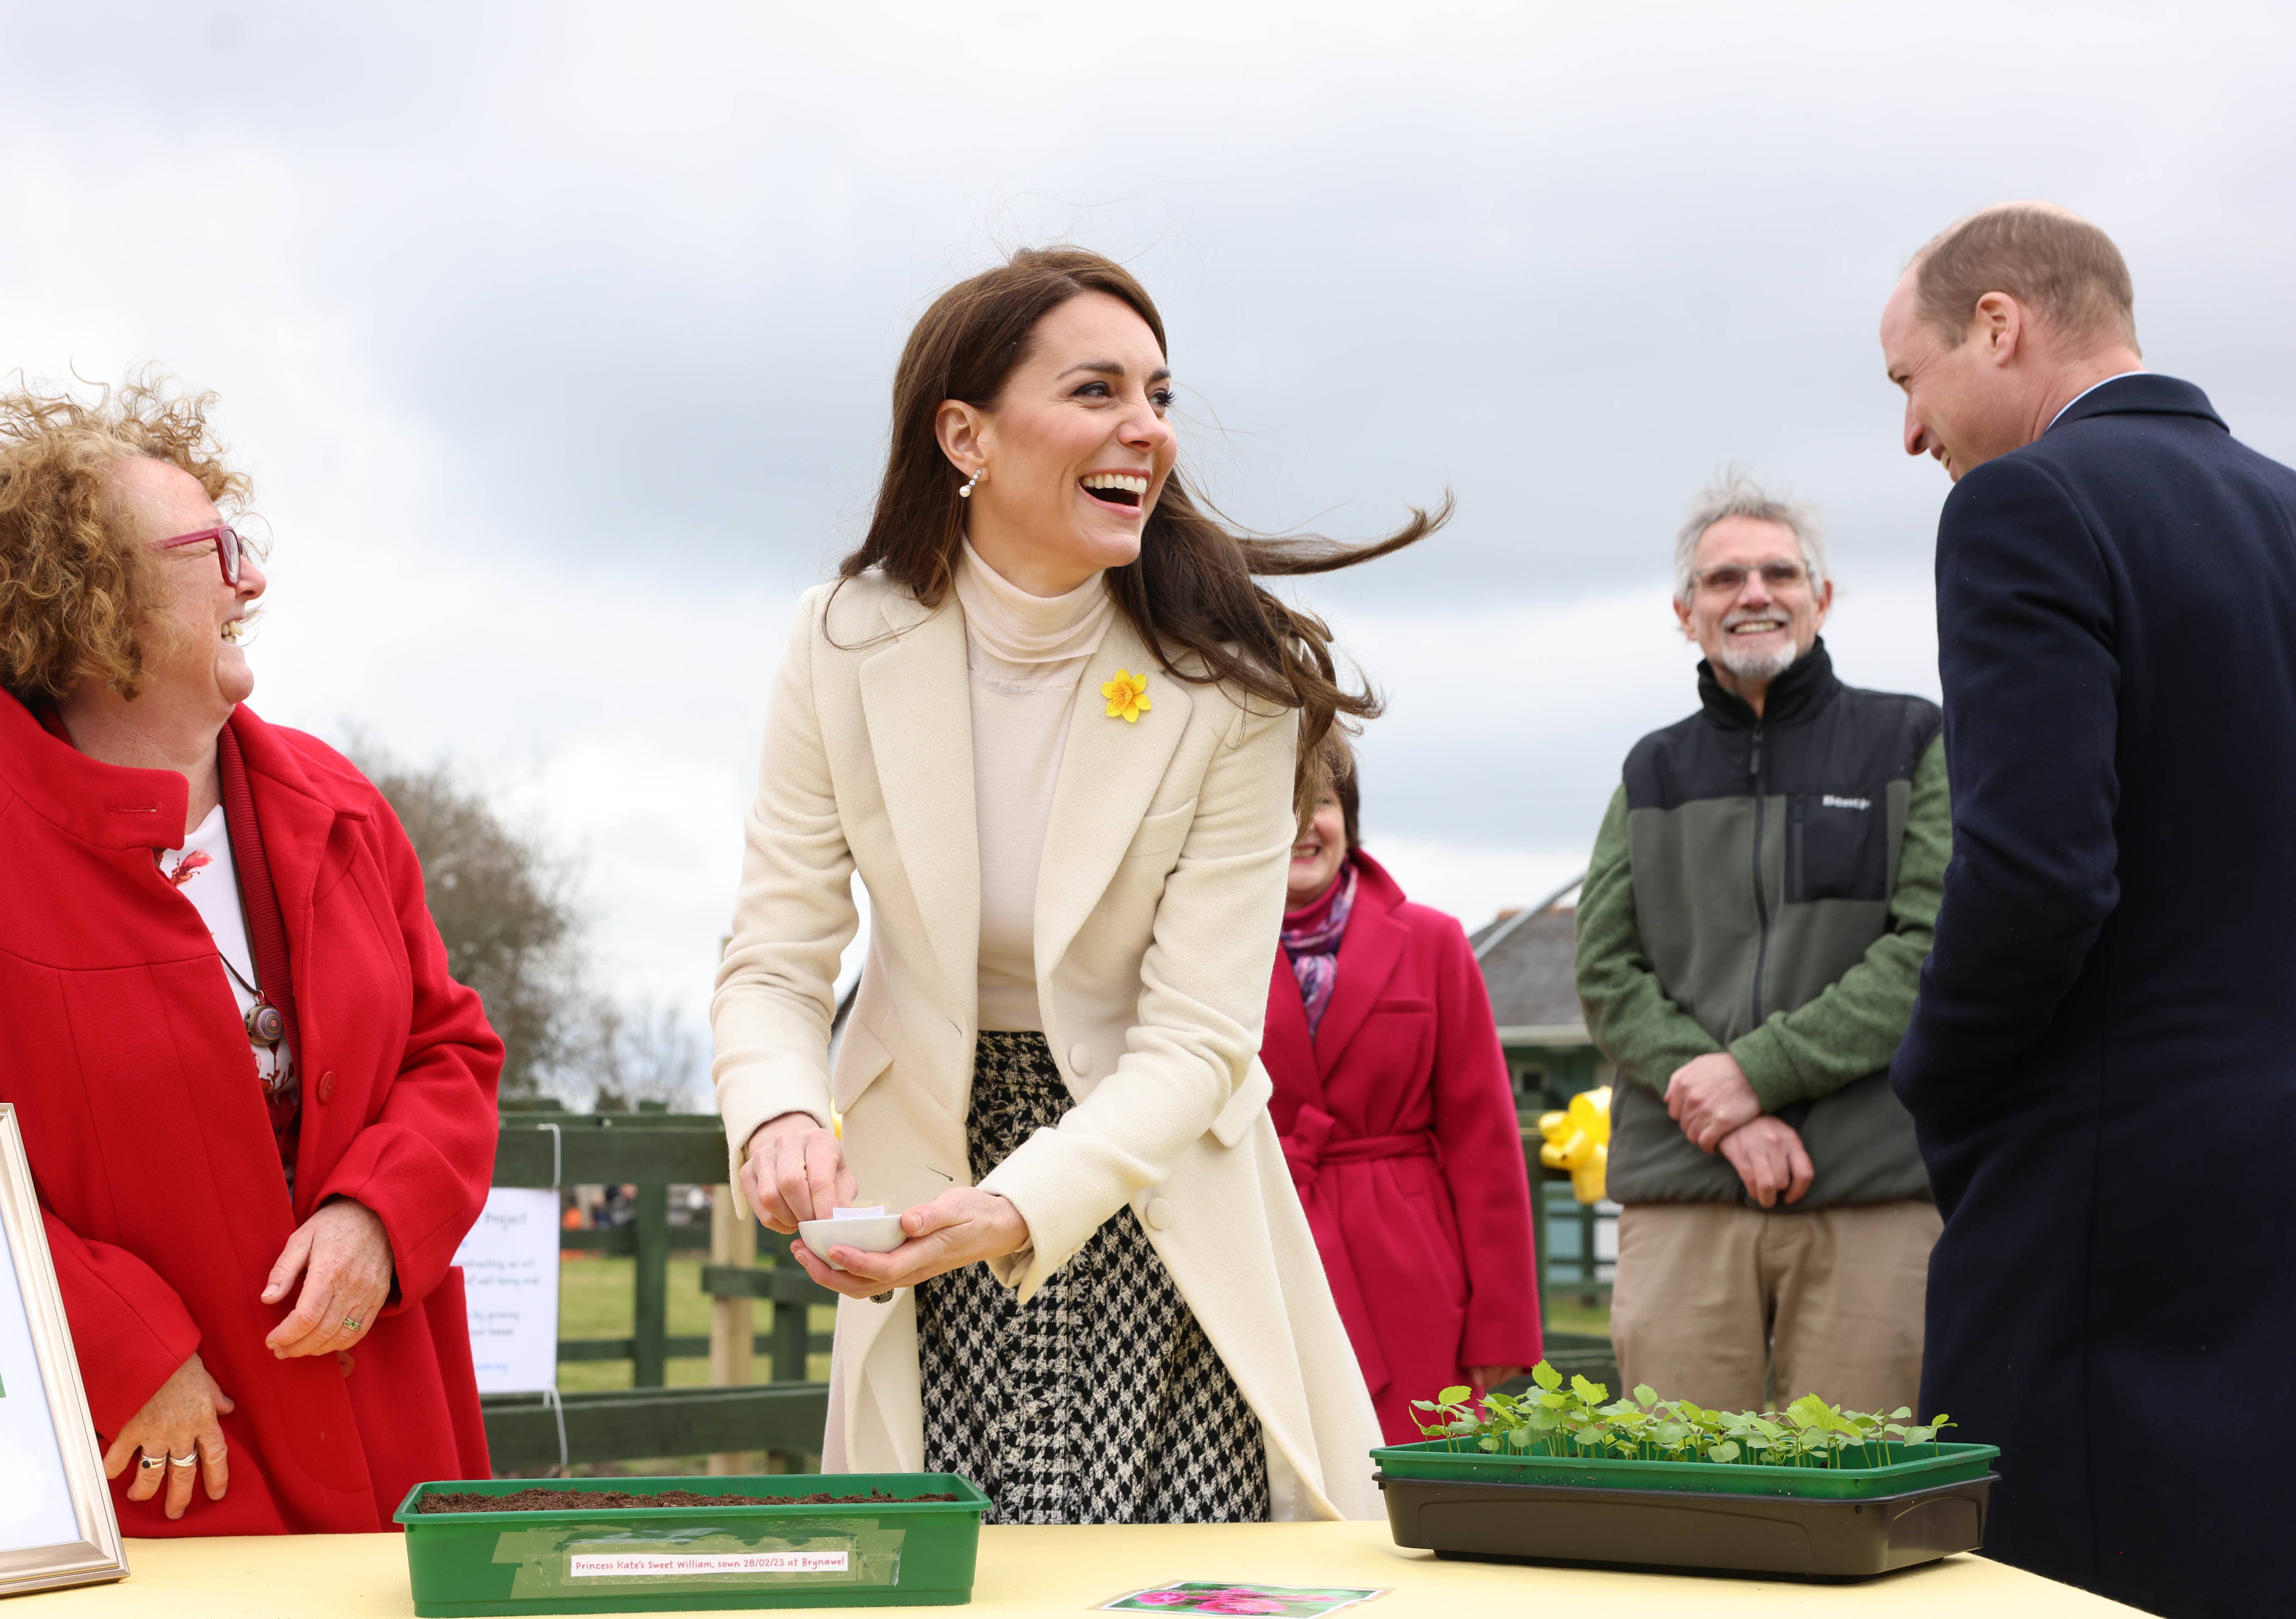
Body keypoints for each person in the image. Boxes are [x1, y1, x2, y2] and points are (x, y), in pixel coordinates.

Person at [712, 247, 1447, 1523]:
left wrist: (1014, 1205)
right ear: (965, 435)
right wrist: (776, 1113)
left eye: (1157, 396)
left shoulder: (1234, 681)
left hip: (1148, 1174)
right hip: (919, 1181)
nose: (1144, 431)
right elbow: (777, 957)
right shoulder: (837, 637)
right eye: (1097, 391)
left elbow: (1199, 1041)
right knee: (941, 1577)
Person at [0, 380, 502, 1535]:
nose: (249, 579)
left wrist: (378, 1216)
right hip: (165, 1479)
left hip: (407, 1457)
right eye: (214, 548)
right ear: (93, 600)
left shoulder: (343, 806)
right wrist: (124, 1347)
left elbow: (449, 1049)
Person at [1881, 203, 2296, 1619]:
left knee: (2042, 1580)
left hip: (2096, 1189)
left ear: (1997, 325)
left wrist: (1940, 1087)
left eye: (1905, 380)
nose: (1909, 433)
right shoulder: (2285, 508)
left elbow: (2038, 866)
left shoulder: (2020, 507)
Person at [1573, 473, 1948, 1416]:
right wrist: (1729, 1107)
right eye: (1722, 578)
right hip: (1683, 1198)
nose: (1751, 593)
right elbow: (1607, 972)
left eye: (1779, 571)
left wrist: (1759, 1070)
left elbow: (1928, 945)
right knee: (1678, 1500)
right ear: (1683, 613)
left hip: (1871, 1192)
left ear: (1822, 597)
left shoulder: (1909, 741)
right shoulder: (1649, 771)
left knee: (1867, 1487)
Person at [1260, 753, 1540, 1442]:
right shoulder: (1195, 945)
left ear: (1348, 823)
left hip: (1407, 1259)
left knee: (1419, 1479)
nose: (1304, 824)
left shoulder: (1433, 941)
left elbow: (1485, 1140)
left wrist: (1502, 1324)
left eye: (1321, 803)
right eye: (1279, 802)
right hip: (1262, 1239)